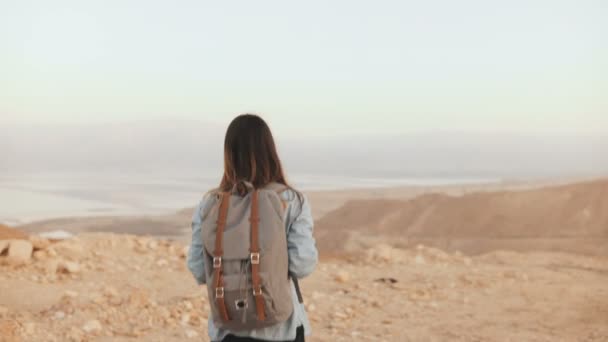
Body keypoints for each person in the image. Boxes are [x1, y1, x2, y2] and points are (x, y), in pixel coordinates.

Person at [187, 114, 318, 342]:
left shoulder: (210, 204)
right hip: (282, 329)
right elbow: (303, 265)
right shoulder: (291, 200)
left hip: (228, 329)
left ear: (229, 154)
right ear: (270, 150)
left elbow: (198, 268)